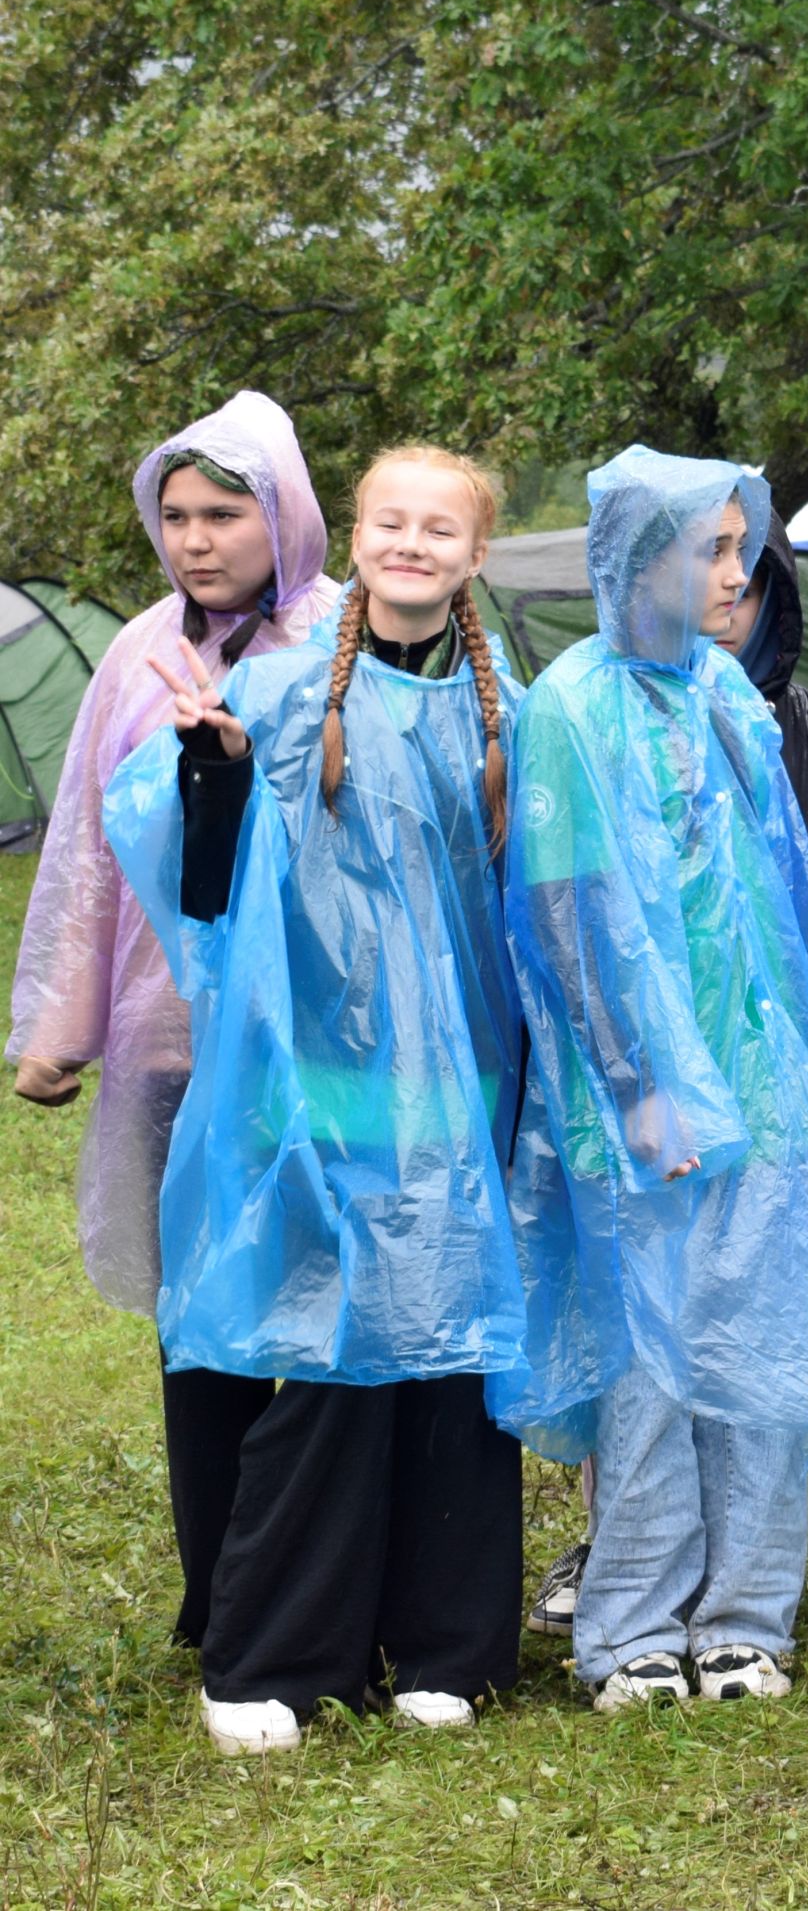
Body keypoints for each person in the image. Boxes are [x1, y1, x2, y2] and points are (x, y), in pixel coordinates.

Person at [496, 444, 808, 1708]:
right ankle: (635, 1625)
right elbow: (567, 909)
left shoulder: (733, 701)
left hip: (764, 1085)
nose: (739, 576)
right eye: (715, 548)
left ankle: (746, 1616)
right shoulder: (572, 706)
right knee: (651, 1364)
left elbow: (791, 910)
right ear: (642, 558)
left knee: (758, 1347)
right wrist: (638, 1077)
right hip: (634, 1098)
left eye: (745, 549)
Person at [104, 446, 533, 1755]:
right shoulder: (284, 688)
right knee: (333, 1355)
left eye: (439, 526)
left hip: (461, 1081)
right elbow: (202, 885)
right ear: (349, 534)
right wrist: (214, 767)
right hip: (321, 1079)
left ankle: (450, 1642)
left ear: (474, 550)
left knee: (452, 1353)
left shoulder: (501, 703)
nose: (412, 542)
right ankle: (286, 1653)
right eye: (389, 520)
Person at [7, 391, 338, 1652]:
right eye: (177, 516)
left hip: (314, 1044)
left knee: (313, 1312)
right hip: (171, 1050)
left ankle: (307, 1582)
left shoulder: (341, 636)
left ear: (285, 513)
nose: (197, 540)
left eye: (225, 512)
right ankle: (218, 1595)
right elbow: (90, 852)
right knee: (199, 1324)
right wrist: (61, 1024)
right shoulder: (141, 650)